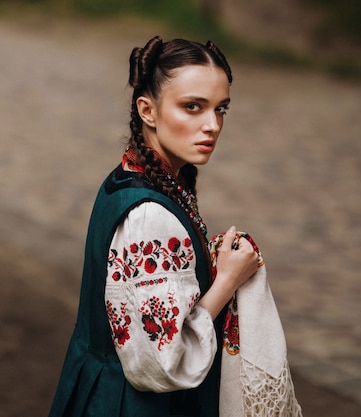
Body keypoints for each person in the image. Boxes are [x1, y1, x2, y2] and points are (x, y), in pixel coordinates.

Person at [48, 35, 260, 417]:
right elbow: (165, 361)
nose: (212, 125)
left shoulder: (130, 174)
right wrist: (228, 280)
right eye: (192, 107)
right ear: (148, 110)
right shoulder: (149, 216)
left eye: (221, 109)